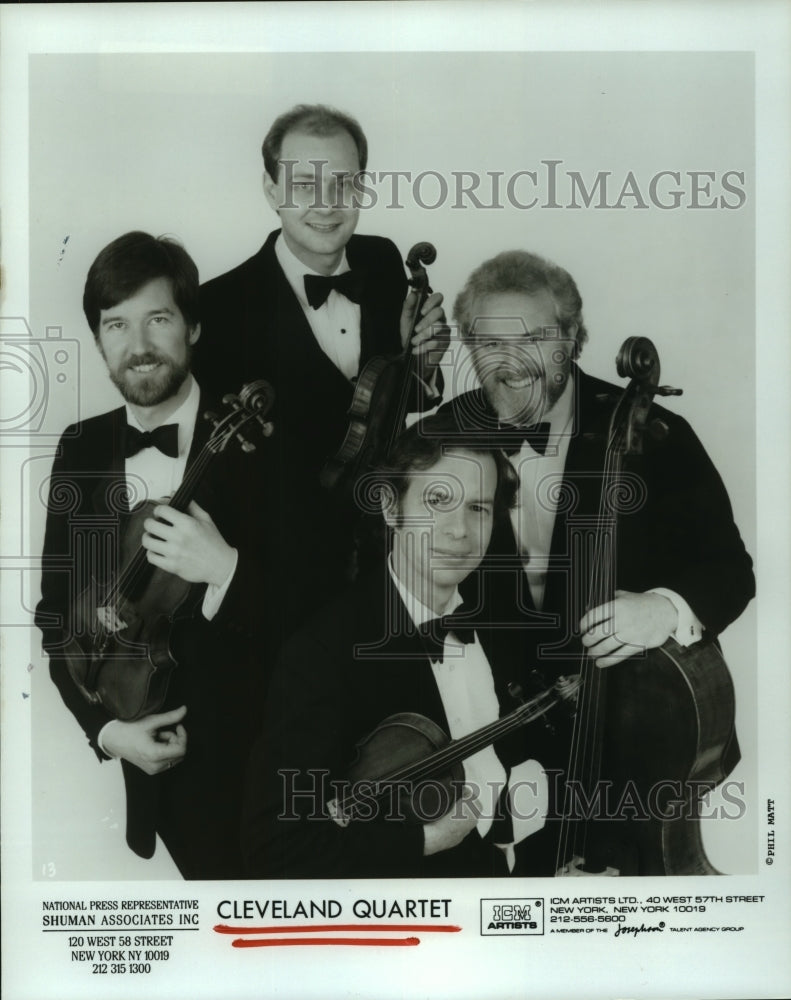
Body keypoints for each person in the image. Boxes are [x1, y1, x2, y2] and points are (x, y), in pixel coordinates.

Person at [439, 250, 755, 874]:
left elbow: (729, 569)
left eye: (534, 337)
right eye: (488, 339)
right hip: (500, 746)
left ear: (573, 342)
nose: (511, 360)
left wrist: (662, 609)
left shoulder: (657, 437)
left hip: (629, 740)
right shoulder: (447, 435)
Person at [35, 231, 271, 879]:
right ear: (99, 338)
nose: (137, 346)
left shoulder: (264, 446)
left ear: (194, 326)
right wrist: (106, 733)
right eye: (116, 324)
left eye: (158, 319)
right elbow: (56, 616)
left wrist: (226, 571)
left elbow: (320, 603)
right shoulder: (81, 450)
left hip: (262, 781)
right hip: (153, 783)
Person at [242, 412, 559, 878]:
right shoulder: (321, 655)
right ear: (392, 508)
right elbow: (273, 846)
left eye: (479, 508)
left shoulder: (501, 620)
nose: (459, 531)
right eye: (437, 501)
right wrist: (426, 839)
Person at [195, 104, 449, 637]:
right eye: (305, 184)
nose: (327, 205)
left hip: (386, 564)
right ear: (271, 191)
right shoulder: (217, 310)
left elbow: (390, 404)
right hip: (280, 588)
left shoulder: (382, 263)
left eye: (345, 184)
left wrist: (420, 364)